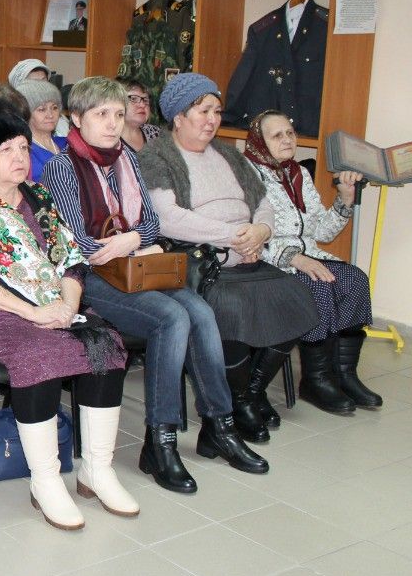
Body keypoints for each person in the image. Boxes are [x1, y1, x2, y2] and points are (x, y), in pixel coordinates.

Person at [42, 78, 267, 493]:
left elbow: (150, 222)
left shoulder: (129, 158)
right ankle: (159, 441)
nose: (112, 124)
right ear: (76, 119)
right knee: (171, 318)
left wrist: (132, 240)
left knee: (200, 310)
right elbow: (80, 242)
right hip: (90, 276)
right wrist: (133, 240)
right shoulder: (61, 167)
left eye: (117, 114)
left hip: (138, 265)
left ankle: (220, 423)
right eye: (100, 115)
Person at [0, 104, 132, 530]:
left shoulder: (37, 195)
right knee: (41, 353)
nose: (20, 157)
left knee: (105, 342)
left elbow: (71, 261)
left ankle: (97, 469)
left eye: (23, 147)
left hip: (49, 305)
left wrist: (69, 306)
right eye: (7, 150)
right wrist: (34, 312)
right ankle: (46, 480)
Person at [138, 74, 319, 444]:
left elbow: (263, 203)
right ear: (178, 116)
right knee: (232, 309)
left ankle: (248, 395)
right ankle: (239, 400)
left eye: (217, 111)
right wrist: (233, 236)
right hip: (201, 259)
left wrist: (261, 232)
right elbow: (168, 218)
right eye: (202, 111)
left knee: (296, 299)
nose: (212, 119)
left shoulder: (228, 154)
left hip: (247, 250)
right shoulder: (157, 157)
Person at [244, 111, 382, 411]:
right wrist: (296, 259)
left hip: (308, 256)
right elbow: (247, 235)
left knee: (354, 280)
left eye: (290, 133)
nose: (287, 140)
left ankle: (344, 375)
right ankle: (315, 380)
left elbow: (322, 231)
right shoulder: (246, 175)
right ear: (259, 141)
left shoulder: (298, 174)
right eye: (277, 135)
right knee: (316, 286)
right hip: (267, 263)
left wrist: (345, 199)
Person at [16, 79, 66, 181]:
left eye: (54, 108)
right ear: (26, 113)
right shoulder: (23, 151)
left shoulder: (67, 143)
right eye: (41, 109)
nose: (50, 115)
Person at [117, 76, 160, 151]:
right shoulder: (108, 138)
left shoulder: (156, 134)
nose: (143, 105)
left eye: (145, 100)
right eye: (133, 99)